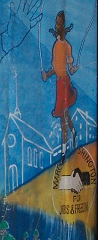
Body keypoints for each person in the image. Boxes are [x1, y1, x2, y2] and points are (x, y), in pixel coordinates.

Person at [41, 10, 78, 164]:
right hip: (59, 84)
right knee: (65, 115)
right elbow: (55, 67)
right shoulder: (56, 45)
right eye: (56, 24)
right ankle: (74, 132)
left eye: (60, 24)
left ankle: (63, 153)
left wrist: (73, 69)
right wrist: (47, 75)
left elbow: (68, 69)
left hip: (65, 82)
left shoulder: (66, 46)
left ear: (64, 28)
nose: (58, 27)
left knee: (63, 117)